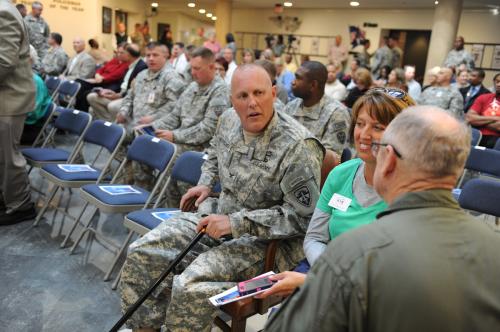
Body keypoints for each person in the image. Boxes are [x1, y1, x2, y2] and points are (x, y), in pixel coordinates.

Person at [119, 63, 324, 331]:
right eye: (243, 96)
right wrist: (206, 182)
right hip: (216, 216)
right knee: (141, 251)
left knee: (188, 284)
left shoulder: (298, 146)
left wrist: (235, 223)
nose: (252, 103)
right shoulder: (228, 119)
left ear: (274, 94)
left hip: (267, 243)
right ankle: (144, 327)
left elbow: (304, 219)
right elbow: (214, 151)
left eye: (260, 93)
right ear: (232, 100)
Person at [265, 106, 500, 332]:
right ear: (458, 170)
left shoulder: (356, 252)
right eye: (360, 124)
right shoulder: (493, 246)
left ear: (388, 160)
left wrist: (315, 283)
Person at [257, 87, 415, 298]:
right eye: (360, 124)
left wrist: (320, 280)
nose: (364, 134)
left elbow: (392, 276)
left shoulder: (410, 192)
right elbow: (314, 238)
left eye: (377, 127)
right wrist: (327, 270)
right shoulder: (341, 174)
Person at [143, 47, 230, 205]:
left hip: (202, 147)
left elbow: (207, 130)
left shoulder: (220, 91)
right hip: (181, 141)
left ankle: (181, 207)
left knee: (169, 155)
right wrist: (152, 127)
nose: (193, 73)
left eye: (197, 69)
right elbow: (175, 116)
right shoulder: (192, 86)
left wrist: (175, 136)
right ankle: (160, 202)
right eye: (191, 68)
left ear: (211, 67)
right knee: (147, 143)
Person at [0, 0, 37, 225]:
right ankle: (6, 198)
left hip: (9, 98)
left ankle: (20, 206)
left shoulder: (3, 12)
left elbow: (3, 63)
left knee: (8, 157)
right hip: (5, 97)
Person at [284, 61, 350, 156]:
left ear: (313, 85)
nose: (293, 82)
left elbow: (331, 159)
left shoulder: (337, 113)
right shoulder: (291, 106)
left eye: (298, 78)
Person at [87, 43, 147, 122]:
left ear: (128, 55)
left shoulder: (141, 67)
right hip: (119, 93)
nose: (119, 55)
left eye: (123, 53)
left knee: (112, 106)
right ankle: (109, 123)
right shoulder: (129, 65)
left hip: (127, 98)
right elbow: (121, 84)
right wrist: (110, 92)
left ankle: (112, 126)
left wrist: (118, 95)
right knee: (91, 97)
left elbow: (134, 91)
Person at [74, 43, 130, 111]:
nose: (118, 54)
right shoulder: (115, 60)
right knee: (79, 82)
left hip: (108, 83)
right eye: (117, 52)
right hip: (99, 80)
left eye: (122, 53)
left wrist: (102, 78)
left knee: (85, 92)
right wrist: (97, 75)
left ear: (128, 53)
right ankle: (76, 111)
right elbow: (102, 69)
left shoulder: (127, 64)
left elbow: (116, 75)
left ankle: (81, 113)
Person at [22, 45, 52, 145]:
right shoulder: (20, 78)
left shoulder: (34, 81)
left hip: (29, 128)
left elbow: (33, 114)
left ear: (28, 59)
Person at [466, 73, 500, 148]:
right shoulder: (484, 97)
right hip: (475, 135)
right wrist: (496, 118)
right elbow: (469, 118)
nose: (498, 84)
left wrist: (479, 118)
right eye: (497, 81)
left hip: (496, 140)